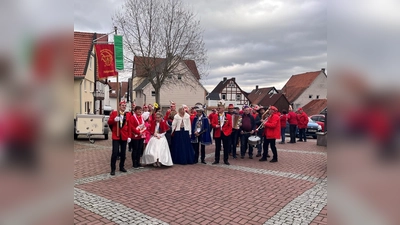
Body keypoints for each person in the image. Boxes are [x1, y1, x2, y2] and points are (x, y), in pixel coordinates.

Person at [108, 101, 131, 175]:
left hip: (124, 135)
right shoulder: (114, 113)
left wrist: (129, 136)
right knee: (115, 153)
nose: (124, 106)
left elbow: (129, 126)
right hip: (116, 135)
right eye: (122, 105)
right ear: (119, 106)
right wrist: (114, 120)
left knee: (123, 153)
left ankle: (122, 166)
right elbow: (109, 122)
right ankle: (113, 169)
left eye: (125, 105)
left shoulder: (127, 115)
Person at [210, 101, 232, 165]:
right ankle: (216, 159)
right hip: (218, 132)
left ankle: (226, 160)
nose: (218, 109)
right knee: (217, 147)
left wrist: (228, 132)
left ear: (223, 109)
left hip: (225, 133)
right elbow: (212, 123)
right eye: (218, 108)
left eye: (219, 108)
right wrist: (215, 126)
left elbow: (230, 126)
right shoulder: (215, 116)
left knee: (226, 147)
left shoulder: (228, 116)